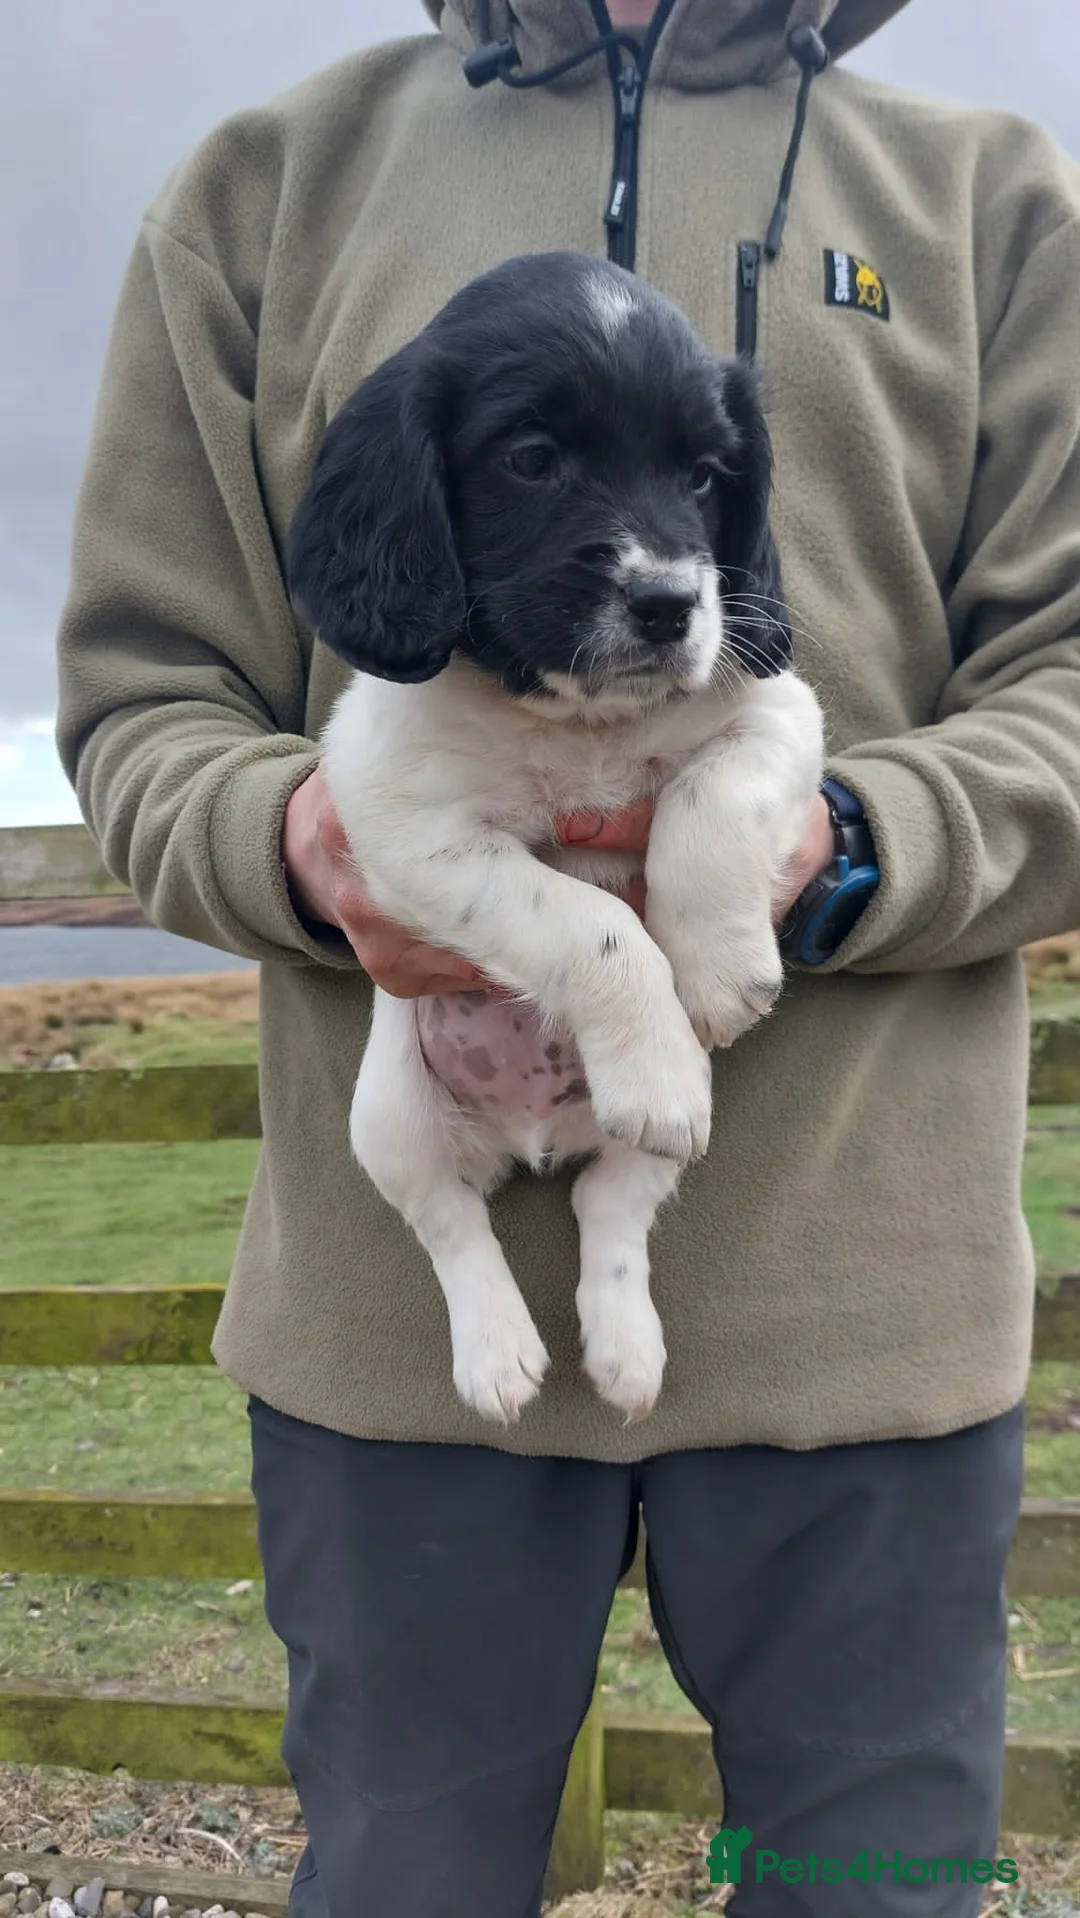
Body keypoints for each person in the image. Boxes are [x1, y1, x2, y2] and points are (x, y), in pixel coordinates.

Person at [55, 2, 1080, 1913]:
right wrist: (304, 847)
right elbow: (137, 695)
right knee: (405, 1884)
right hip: (397, 1345)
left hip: (871, 1314)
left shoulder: (994, 203)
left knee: (883, 1890)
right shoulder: (266, 186)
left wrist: (846, 849)